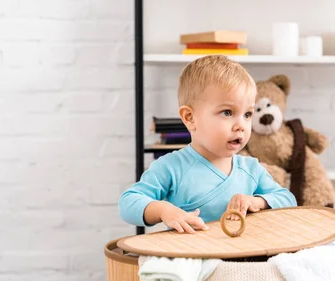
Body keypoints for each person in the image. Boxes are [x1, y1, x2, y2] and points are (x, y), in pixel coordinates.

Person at [119, 55, 296, 234]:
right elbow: (129, 202)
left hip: (243, 257)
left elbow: (288, 200)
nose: (241, 126)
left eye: (247, 114)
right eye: (227, 112)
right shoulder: (172, 167)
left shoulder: (251, 169)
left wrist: (257, 201)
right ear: (190, 118)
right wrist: (165, 211)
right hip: (194, 258)